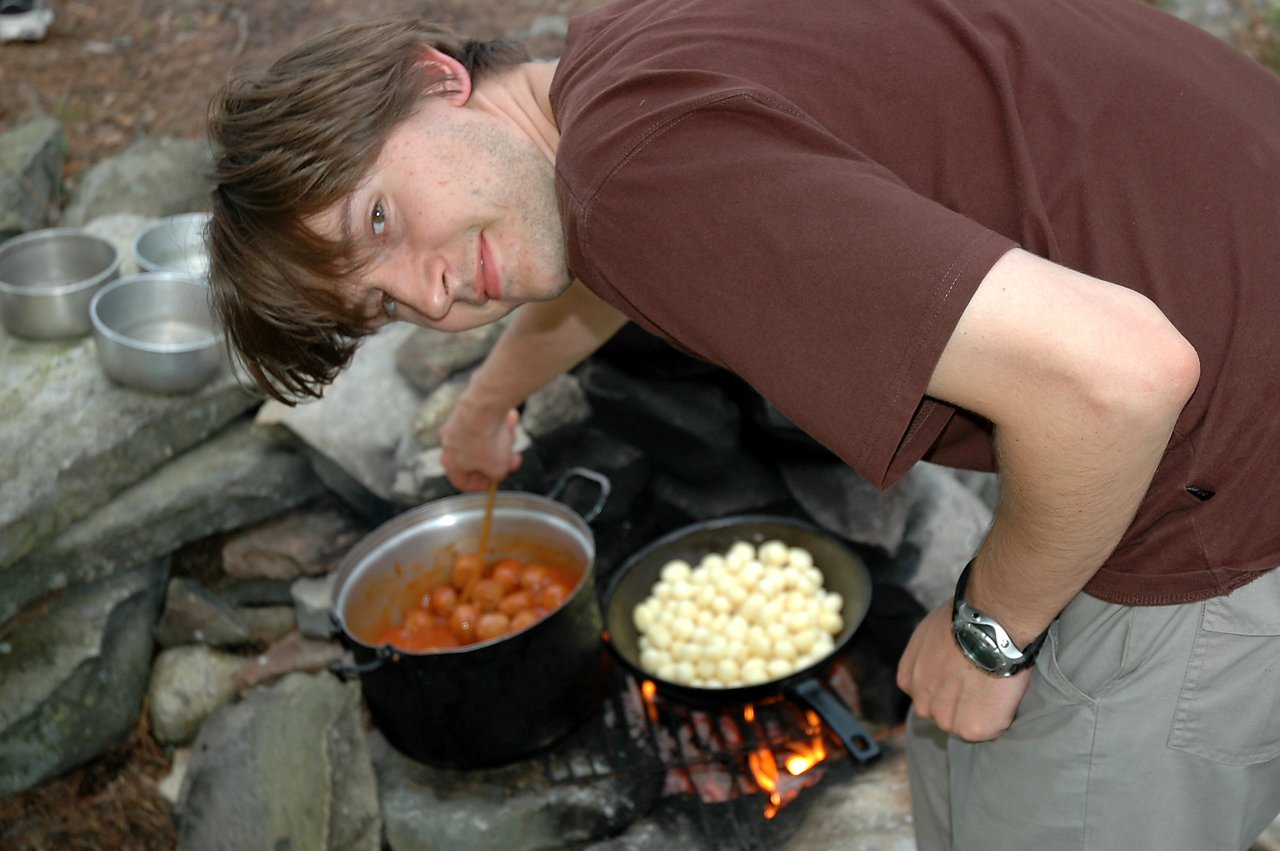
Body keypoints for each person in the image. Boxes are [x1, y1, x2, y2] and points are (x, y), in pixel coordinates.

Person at [205, 0, 1280, 847]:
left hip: (1224, 469)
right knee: (955, 758)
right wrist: (489, 400)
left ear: (434, 80)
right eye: (385, 304)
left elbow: (1119, 379)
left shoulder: (639, 179)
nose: (430, 295)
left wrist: (986, 632)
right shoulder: (618, 68)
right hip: (1230, 257)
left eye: (379, 221)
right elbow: (619, 252)